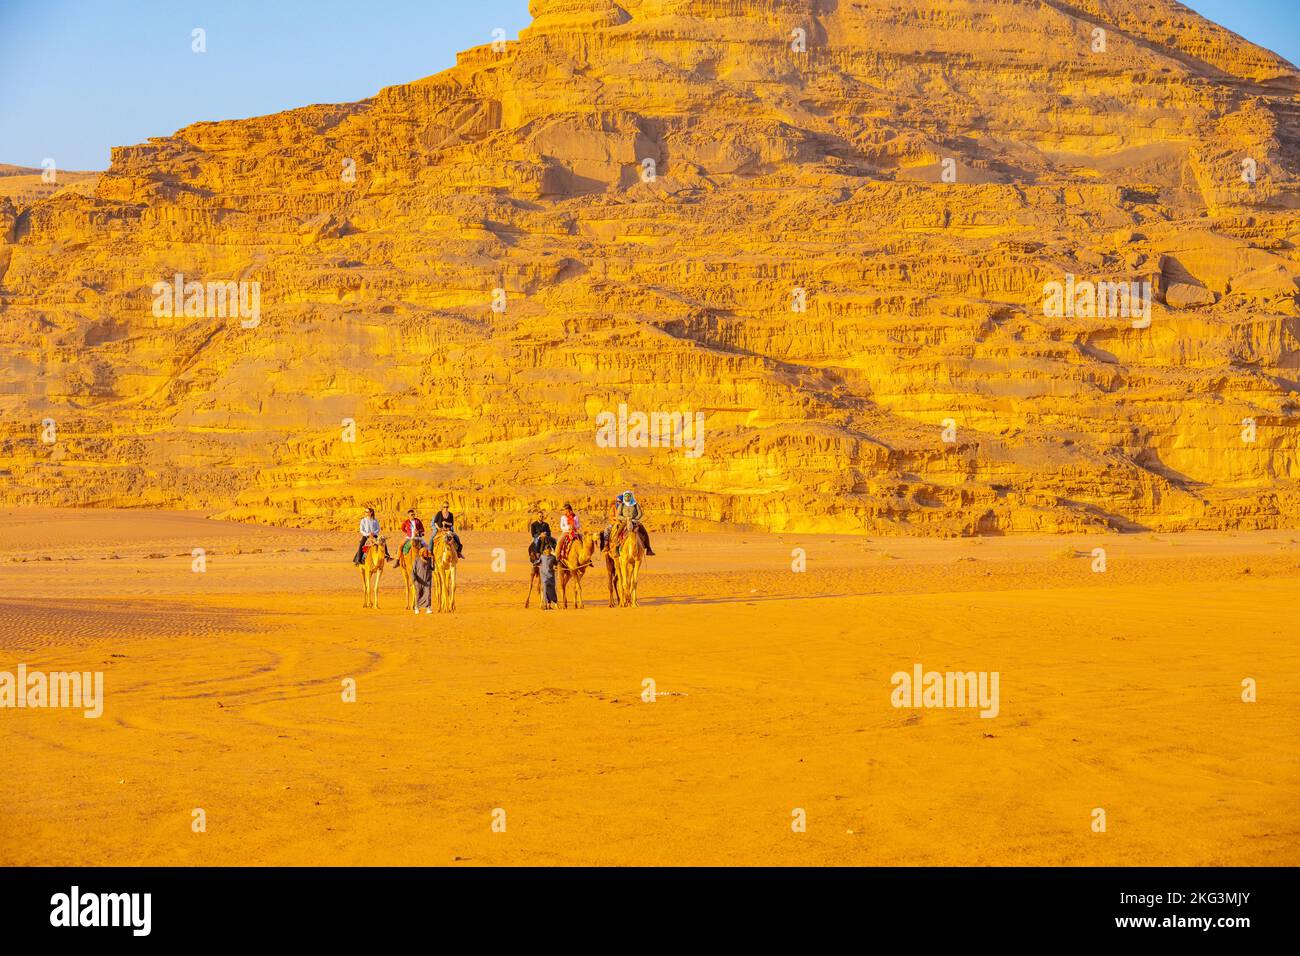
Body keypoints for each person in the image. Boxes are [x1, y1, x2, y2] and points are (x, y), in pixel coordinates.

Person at [614, 491, 655, 556]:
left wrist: (635, 519)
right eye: (626, 496)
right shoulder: (622, 505)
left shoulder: (635, 504)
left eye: (628, 496)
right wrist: (625, 518)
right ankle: (616, 548)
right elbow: (618, 515)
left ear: (631, 497)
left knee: (644, 532)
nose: (627, 498)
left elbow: (640, 513)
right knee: (618, 532)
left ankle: (648, 549)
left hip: (635, 521)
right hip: (625, 521)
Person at [412, 545, 434, 614]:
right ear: (421, 553)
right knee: (418, 594)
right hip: (418, 581)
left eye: (427, 553)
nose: (426, 554)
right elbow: (413, 570)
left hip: (427, 581)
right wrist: (414, 579)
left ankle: (428, 608)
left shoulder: (429, 559)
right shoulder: (417, 559)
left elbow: (432, 568)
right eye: (425, 553)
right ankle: (417, 607)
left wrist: (434, 562)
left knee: (428, 594)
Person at [538, 541, 558, 609]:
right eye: (547, 549)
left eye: (549, 550)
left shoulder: (553, 557)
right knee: (545, 588)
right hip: (544, 575)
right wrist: (535, 563)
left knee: (552, 589)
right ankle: (545, 604)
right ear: (545, 550)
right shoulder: (542, 556)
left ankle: (551, 604)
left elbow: (556, 563)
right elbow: (538, 561)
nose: (548, 551)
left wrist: (555, 566)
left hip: (551, 575)